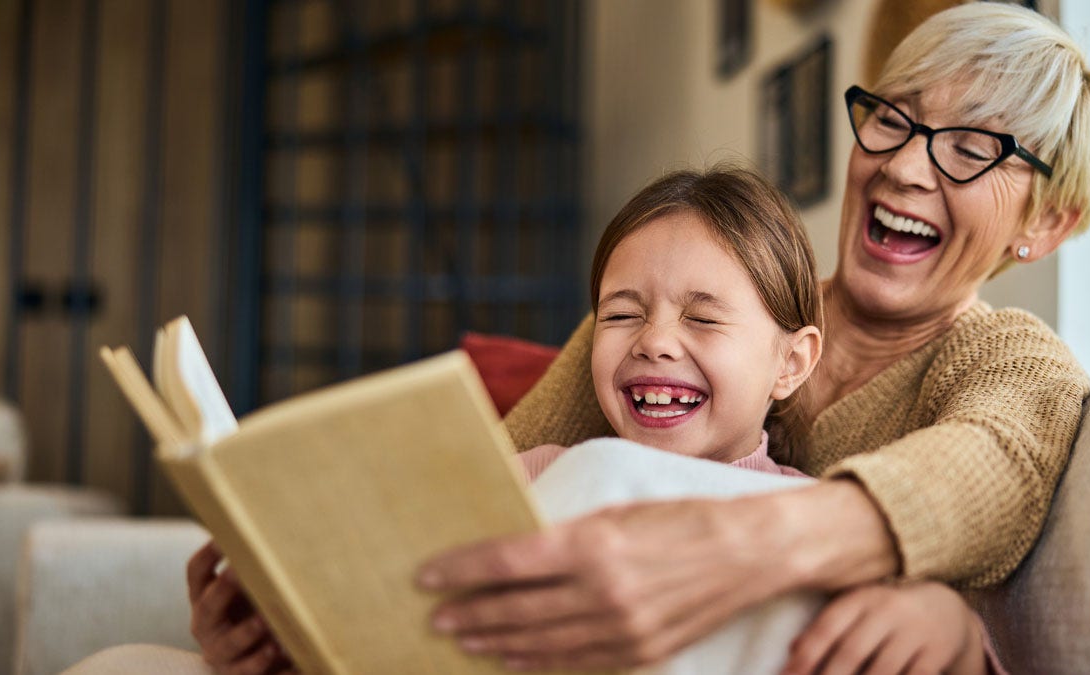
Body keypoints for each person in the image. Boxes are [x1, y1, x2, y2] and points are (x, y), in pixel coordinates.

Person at [410, 2, 1090, 672]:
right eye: (894, 121)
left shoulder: (1009, 357)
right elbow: (490, 495)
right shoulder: (683, 306)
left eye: (972, 147)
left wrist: (740, 548)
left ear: (1047, 221)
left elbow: (993, 464)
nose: (903, 167)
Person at [181, 166, 1000, 675]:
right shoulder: (533, 472)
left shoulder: (813, 516)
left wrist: (954, 633)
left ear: (791, 361)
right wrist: (265, 644)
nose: (655, 342)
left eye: (704, 319)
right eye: (621, 313)